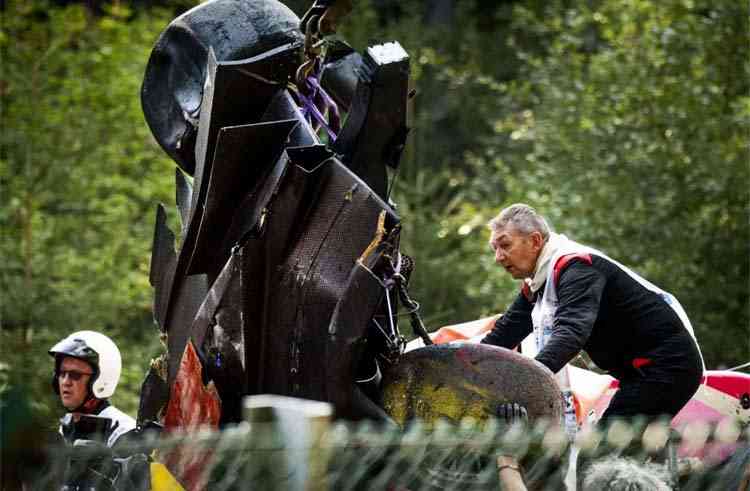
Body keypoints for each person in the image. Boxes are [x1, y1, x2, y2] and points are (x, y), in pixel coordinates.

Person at [481, 203, 703, 424]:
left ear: (535, 241)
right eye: (495, 249)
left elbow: (570, 334)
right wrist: (463, 368)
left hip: (668, 366)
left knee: (605, 453)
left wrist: (525, 388)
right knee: (616, 452)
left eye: (505, 245)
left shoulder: (577, 268)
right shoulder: (540, 281)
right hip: (642, 371)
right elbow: (503, 334)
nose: (498, 257)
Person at [49, 330, 136, 448]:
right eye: (61, 373)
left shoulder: (124, 432)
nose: (65, 382)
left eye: (75, 375)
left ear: (101, 379)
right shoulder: (65, 428)